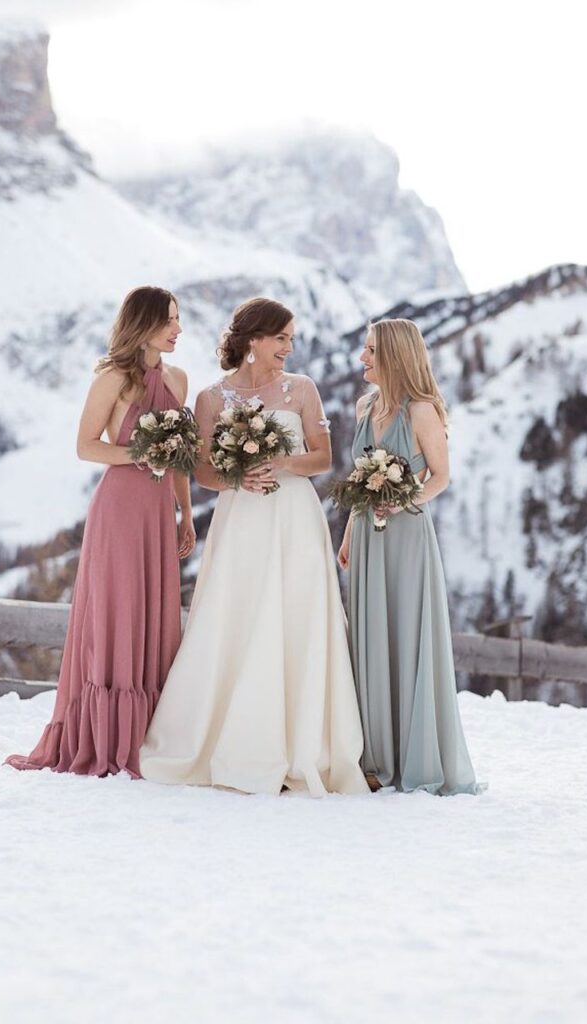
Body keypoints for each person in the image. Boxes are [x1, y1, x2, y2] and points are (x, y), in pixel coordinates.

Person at [140, 297, 368, 797]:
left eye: (290, 338)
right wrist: (238, 477)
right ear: (253, 340)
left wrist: (283, 463)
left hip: (294, 518)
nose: (289, 347)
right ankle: (225, 738)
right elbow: (200, 472)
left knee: (296, 614)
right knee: (235, 613)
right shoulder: (210, 398)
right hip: (240, 518)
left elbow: (323, 457)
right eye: (282, 337)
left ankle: (300, 744)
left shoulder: (302, 389)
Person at [5, 286, 195, 778]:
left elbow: (180, 463)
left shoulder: (178, 378)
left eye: (178, 320)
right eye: (169, 321)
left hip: (157, 513)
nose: (178, 329)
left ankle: (150, 731)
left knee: (155, 614)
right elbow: (86, 447)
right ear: (144, 323)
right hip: (118, 509)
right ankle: (105, 735)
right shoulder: (113, 377)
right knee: (117, 609)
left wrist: (187, 514)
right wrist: (141, 454)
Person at [338, 318, 484, 795]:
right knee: (369, 637)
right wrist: (348, 533)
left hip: (408, 539)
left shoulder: (421, 411)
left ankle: (413, 756)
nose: (363, 359)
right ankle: (374, 757)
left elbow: (439, 477)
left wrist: (403, 501)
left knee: (406, 635)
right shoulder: (364, 406)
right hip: (367, 539)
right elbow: (359, 478)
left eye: (371, 351)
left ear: (395, 356)